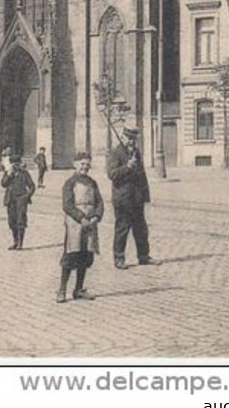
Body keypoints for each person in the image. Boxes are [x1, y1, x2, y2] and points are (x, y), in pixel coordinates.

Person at [106, 125, 160, 269]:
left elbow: (142, 175)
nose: (131, 141)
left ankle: (143, 256)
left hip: (137, 198)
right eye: (129, 138)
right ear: (123, 137)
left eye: (133, 139)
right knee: (122, 229)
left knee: (141, 229)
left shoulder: (136, 152)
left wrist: (146, 196)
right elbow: (112, 174)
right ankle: (118, 259)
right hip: (123, 199)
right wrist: (127, 167)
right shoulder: (115, 153)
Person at [57, 151, 104, 303]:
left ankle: (78, 289)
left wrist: (96, 216)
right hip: (74, 224)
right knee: (71, 255)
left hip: (91, 223)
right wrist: (81, 218)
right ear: (75, 164)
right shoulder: (69, 183)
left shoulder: (92, 182)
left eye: (87, 164)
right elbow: (67, 205)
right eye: (82, 164)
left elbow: (99, 202)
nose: (85, 167)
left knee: (86, 255)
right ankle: (62, 290)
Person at [0, 154, 36, 250]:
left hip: (21, 199)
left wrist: (27, 196)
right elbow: (3, 184)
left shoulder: (24, 173)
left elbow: (32, 186)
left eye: (17, 164)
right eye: (13, 164)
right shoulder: (8, 173)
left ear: (20, 164)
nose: (15, 166)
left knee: (21, 221)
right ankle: (15, 241)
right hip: (10, 199)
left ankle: (20, 243)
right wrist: (9, 175)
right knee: (11, 222)